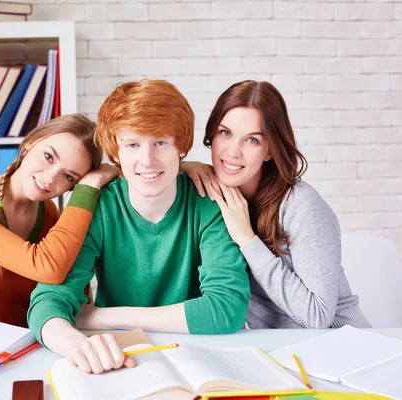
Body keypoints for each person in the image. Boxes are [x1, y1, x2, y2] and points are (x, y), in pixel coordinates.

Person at [28, 79, 250, 374]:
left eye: (160, 143)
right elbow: (48, 302)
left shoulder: (208, 203)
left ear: (181, 148)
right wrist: (75, 345)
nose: (147, 161)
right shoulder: (100, 207)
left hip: (195, 356)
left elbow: (226, 309)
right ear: (116, 154)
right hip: (119, 355)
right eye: (132, 144)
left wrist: (97, 317)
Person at [183, 80, 370, 329]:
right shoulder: (213, 195)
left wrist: (248, 241)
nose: (232, 152)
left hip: (342, 343)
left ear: (270, 150)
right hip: (278, 348)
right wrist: (183, 166)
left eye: (252, 140)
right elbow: (143, 169)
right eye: (225, 133)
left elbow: (318, 317)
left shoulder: (300, 205)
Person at [0, 114, 118, 328]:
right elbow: (47, 267)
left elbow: (75, 296)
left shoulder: (49, 213)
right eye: (49, 157)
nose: (50, 178)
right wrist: (89, 187)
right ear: (31, 141)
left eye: (69, 177)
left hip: (22, 352)